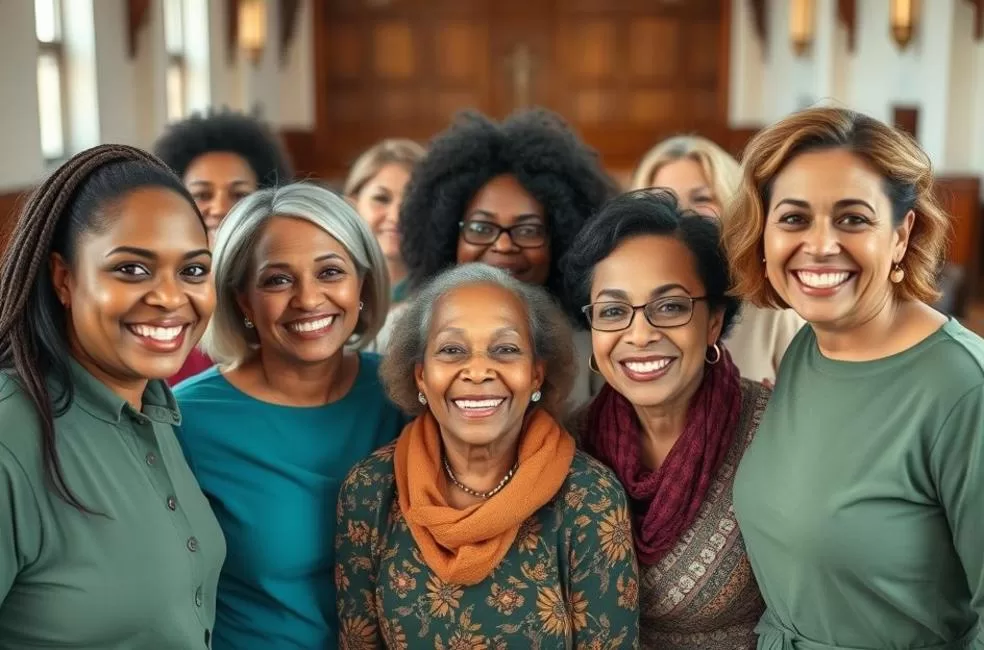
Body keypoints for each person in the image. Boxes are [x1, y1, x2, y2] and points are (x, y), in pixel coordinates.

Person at [723, 107, 983, 649]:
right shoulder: (807, 347)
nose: (821, 245)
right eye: (794, 218)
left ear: (901, 234)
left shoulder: (964, 388)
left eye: (853, 219)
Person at [335, 263, 640, 649]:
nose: (478, 371)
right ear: (421, 376)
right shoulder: (370, 489)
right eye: (452, 350)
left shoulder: (590, 497)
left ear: (536, 374)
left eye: (505, 350)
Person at [0, 145, 224, 648]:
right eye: (132, 269)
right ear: (64, 278)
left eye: (193, 271)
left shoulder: (155, 410)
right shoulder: (9, 438)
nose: (170, 298)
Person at [173, 182, 404, 649]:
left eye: (330, 272)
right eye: (278, 280)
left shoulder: (403, 396)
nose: (309, 299)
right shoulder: (186, 420)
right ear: (243, 300)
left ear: (362, 284)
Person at [562, 191, 767, 649]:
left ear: (713, 322)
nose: (640, 334)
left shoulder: (773, 431)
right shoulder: (568, 447)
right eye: (613, 311)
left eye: (670, 306)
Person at [398, 108, 618, 405]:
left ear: (560, 240)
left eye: (528, 230)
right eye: (481, 228)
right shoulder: (406, 335)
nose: (503, 245)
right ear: (448, 235)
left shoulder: (593, 348)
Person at [632, 135, 803, 385]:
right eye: (662, 201)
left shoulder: (774, 309)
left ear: (735, 206)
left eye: (701, 199)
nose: (681, 213)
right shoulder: (628, 311)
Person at [154, 107, 294, 384]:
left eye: (239, 194)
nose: (220, 208)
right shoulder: (156, 290)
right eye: (202, 194)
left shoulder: (282, 283)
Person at [343, 138, 426, 350]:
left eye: (412, 200)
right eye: (381, 199)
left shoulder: (442, 297)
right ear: (353, 205)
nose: (396, 216)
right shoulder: (330, 288)